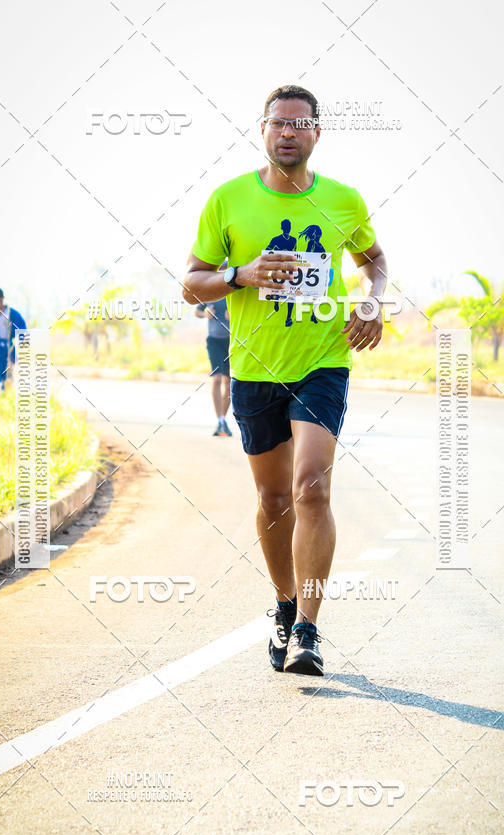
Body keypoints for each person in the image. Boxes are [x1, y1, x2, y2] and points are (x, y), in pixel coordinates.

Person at [182, 85, 387, 676]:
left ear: (317, 132)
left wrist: (374, 299)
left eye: (299, 124)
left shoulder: (343, 199)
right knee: (273, 499)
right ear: (263, 130)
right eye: (278, 123)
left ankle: (308, 631)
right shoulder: (228, 199)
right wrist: (239, 275)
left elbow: (374, 260)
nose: (288, 132)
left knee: (311, 489)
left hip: (323, 360)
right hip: (254, 369)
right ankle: (284, 603)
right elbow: (191, 283)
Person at [194, 290, 232, 436]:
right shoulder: (210, 292)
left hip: (231, 341)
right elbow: (197, 312)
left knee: (228, 383)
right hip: (214, 341)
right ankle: (220, 420)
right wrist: (205, 314)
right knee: (217, 379)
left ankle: (222, 421)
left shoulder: (233, 292)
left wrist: (234, 316)